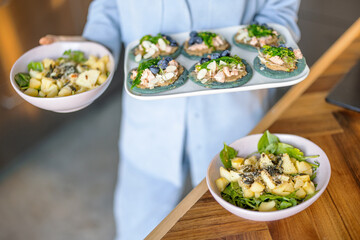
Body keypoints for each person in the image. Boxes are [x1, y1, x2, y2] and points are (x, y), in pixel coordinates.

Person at [40, 0, 301, 239]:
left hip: (234, 120)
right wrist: (91, 52)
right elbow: (108, 7)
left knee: (237, 229)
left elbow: (278, 9)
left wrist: (271, 47)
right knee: (139, 231)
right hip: (149, 130)